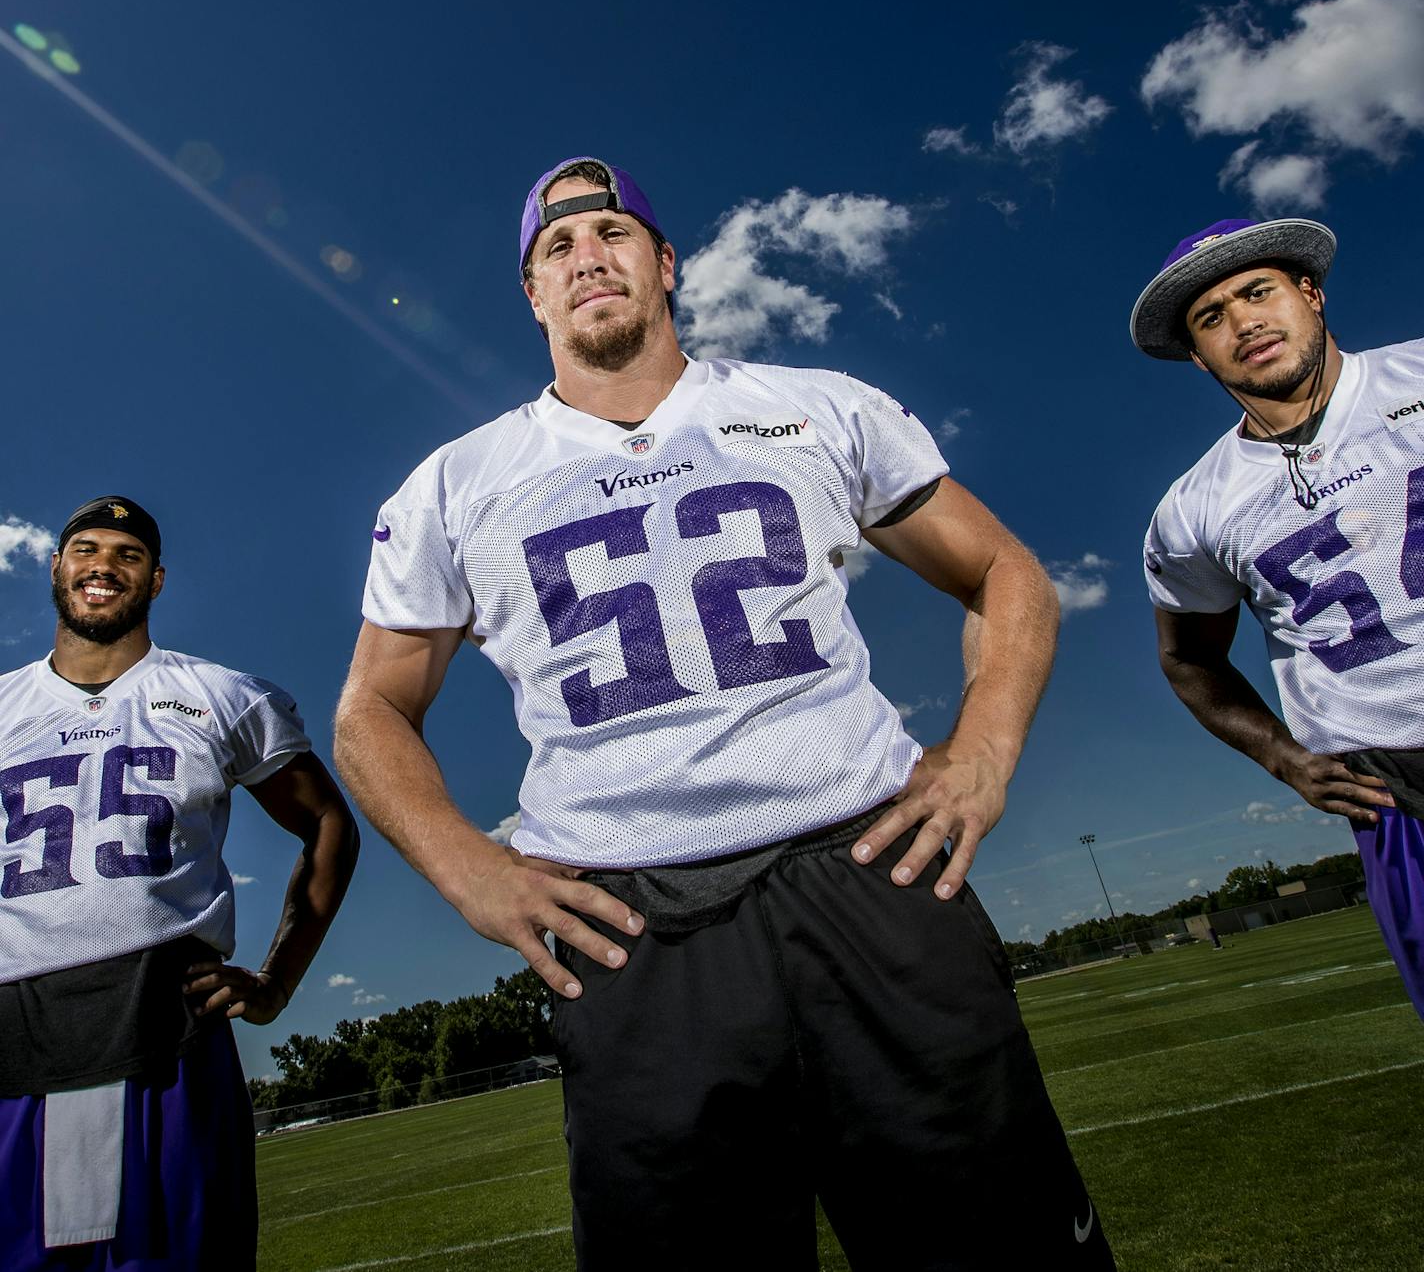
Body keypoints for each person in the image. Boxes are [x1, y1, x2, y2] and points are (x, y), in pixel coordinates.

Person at [336, 157, 1115, 1269]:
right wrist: (467, 862)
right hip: (630, 929)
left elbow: (1007, 574)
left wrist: (979, 752)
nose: (585, 257)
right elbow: (371, 708)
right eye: (555, 248)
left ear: (663, 262)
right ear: (532, 296)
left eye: (609, 232)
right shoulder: (455, 484)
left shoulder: (813, 405)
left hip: (869, 874)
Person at [0, 496, 360, 1270]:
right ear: (56, 566)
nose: (103, 565)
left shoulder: (221, 694)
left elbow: (329, 825)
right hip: (14, 1036)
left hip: (165, 1028)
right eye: (86, 549)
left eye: (127, 555)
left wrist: (276, 981)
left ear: (156, 581)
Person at [1132, 217, 1424, 1017]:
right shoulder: (1193, 509)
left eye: (1257, 292)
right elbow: (1190, 660)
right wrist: (1285, 758)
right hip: (1397, 790)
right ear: (1198, 354)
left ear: (1310, 292)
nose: (1243, 322)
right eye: (1211, 316)